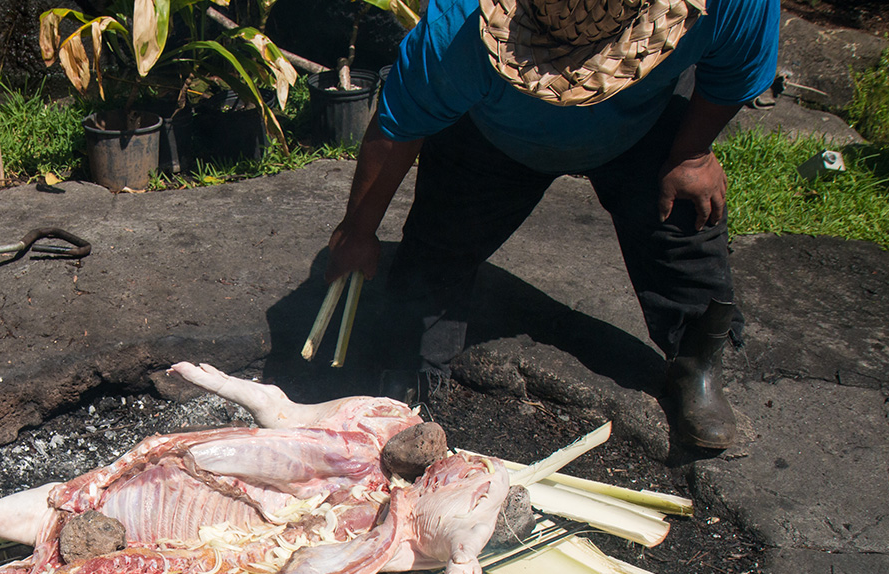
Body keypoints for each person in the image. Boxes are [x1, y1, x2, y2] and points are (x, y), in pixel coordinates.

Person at [326, 0, 779, 449]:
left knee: (686, 221)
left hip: (646, 115)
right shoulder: (458, 26)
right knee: (437, 248)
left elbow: (738, 62)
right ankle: (412, 375)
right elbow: (398, 126)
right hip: (495, 133)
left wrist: (693, 152)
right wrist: (359, 230)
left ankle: (696, 365)